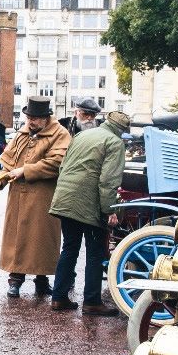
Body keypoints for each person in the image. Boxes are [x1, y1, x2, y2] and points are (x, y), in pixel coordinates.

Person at [48, 109, 131, 315]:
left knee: (69, 248)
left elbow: (63, 167)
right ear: (121, 130)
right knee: (95, 252)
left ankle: (58, 298)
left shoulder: (82, 135)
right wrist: (108, 211)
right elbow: (108, 181)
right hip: (88, 202)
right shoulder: (114, 143)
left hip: (65, 198)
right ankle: (92, 302)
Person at [0, 96, 72, 298]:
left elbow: (57, 161)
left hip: (43, 197)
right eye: (29, 117)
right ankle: (15, 280)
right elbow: (9, 162)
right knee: (17, 240)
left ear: (46, 118)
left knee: (42, 241)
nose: (31, 121)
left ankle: (42, 279)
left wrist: (26, 170)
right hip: (18, 198)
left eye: (36, 118)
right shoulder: (21, 134)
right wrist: (0, 179)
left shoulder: (60, 134)